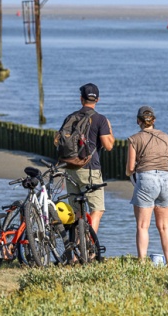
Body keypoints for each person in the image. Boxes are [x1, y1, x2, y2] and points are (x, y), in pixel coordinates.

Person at [126, 105, 168, 267]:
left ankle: (141, 262)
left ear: (138, 121)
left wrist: (131, 174)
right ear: (154, 120)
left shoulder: (134, 139)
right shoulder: (167, 138)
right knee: (165, 226)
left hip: (147, 179)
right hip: (167, 179)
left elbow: (130, 168)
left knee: (142, 225)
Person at [62, 83, 114, 234]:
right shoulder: (100, 119)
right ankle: (89, 247)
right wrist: (109, 129)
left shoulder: (70, 117)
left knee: (76, 212)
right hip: (90, 169)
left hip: (70, 168)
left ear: (81, 99)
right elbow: (108, 146)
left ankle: (76, 252)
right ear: (97, 100)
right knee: (97, 210)